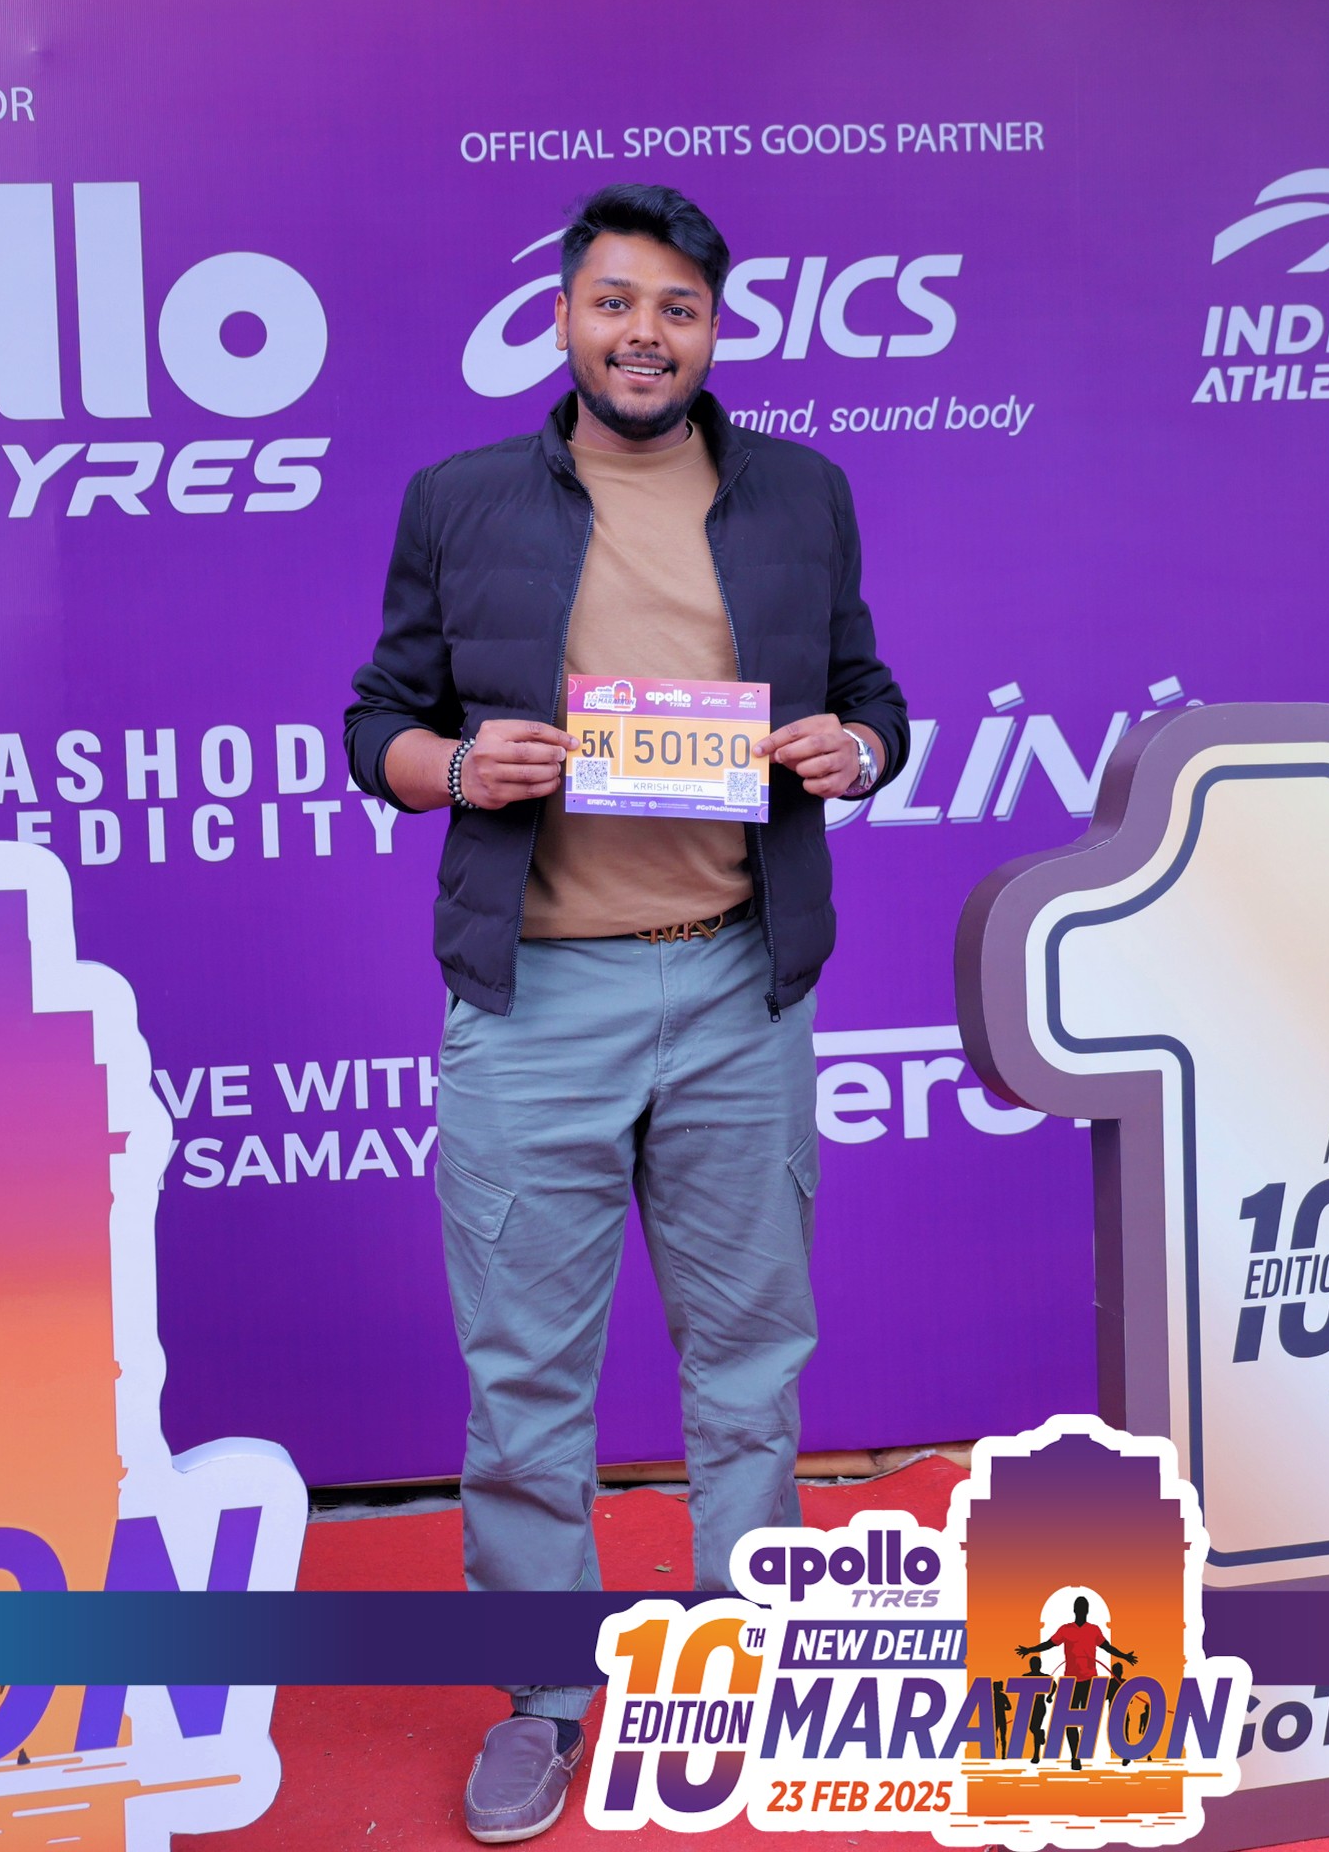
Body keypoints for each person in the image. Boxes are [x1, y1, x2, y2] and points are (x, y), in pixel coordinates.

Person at [344, 182, 908, 1844]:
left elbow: (870, 693)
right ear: (565, 320)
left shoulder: (802, 493)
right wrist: (456, 766)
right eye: (614, 303)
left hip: (740, 984)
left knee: (750, 1365)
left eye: (677, 308)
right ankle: (544, 1698)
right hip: (538, 999)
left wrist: (860, 750)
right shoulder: (460, 500)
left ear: (713, 331)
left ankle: (743, 1671)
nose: (643, 335)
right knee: (525, 1377)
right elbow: (377, 721)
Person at [1017, 1595, 1135, 1771]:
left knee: (1091, 1721)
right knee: (1069, 1721)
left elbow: (1107, 1647)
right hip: (1071, 1683)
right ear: (1075, 1610)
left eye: (1083, 1607)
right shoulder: (1065, 1629)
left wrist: (1124, 1656)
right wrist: (1030, 1650)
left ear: (1087, 1610)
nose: (1081, 1610)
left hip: (1090, 1682)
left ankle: (1121, 1750)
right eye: (1079, 1607)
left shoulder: (1094, 1630)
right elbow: (1049, 1644)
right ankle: (1075, 1757)